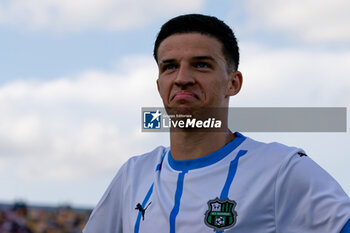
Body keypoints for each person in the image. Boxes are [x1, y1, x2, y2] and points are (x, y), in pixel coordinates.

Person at [83, 14, 350, 233]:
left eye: (201, 65)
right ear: (159, 85)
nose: (182, 78)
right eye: (169, 67)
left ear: (233, 83)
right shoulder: (132, 175)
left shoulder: (281, 168)